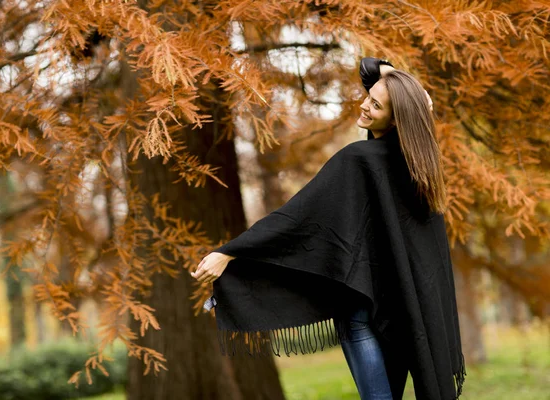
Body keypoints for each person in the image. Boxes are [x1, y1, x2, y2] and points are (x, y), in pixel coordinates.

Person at [192, 57, 465, 400]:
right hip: (401, 308)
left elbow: (295, 218)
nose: (364, 105)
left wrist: (228, 251)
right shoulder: (419, 166)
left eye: (376, 105)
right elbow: (370, 68)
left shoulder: (359, 159)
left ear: (396, 120)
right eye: (369, 97)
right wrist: (409, 93)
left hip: (362, 314)